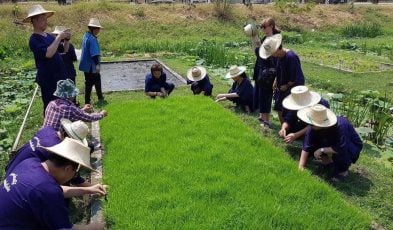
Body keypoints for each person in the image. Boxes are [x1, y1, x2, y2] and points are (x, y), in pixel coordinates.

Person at [0, 137, 105, 229]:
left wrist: (89, 190)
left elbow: (56, 190)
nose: (74, 176)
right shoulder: (46, 189)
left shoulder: (30, 162)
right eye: (75, 172)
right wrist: (95, 227)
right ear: (68, 169)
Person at [5, 119, 106, 199]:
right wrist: (91, 187)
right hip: (22, 181)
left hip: (13, 170)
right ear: (70, 139)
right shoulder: (56, 148)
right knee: (63, 180)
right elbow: (73, 175)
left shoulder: (48, 130)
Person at [23, 5, 70, 113]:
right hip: (49, 79)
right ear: (34, 21)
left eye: (46, 19)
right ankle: (50, 128)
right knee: (51, 106)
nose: (45, 22)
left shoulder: (49, 36)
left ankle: (62, 128)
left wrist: (67, 39)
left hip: (60, 77)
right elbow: (48, 53)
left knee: (63, 105)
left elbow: (64, 50)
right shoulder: (34, 39)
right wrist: (58, 37)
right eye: (42, 19)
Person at [297, 104, 363, 182]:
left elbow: (342, 146)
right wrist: (301, 166)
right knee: (314, 146)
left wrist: (322, 150)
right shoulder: (313, 128)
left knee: (342, 153)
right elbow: (307, 145)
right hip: (331, 142)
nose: (309, 126)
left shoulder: (341, 126)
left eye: (311, 124)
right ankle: (328, 163)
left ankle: (343, 171)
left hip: (350, 145)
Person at [259, 33, 305, 124]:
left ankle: (288, 130)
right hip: (281, 87)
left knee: (288, 111)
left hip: (293, 88)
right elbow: (278, 70)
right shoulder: (279, 58)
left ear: (277, 50)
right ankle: (283, 128)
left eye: (272, 53)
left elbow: (297, 77)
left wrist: (287, 85)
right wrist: (276, 80)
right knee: (279, 108)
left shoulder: (291, 57)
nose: (272, 56)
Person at [247, 18, 280, 128]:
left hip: (269, 70)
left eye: (265, 27)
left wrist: (258, 46)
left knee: (267, 95)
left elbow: (266, 53)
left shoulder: (275, 39)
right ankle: (263, 116)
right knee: (261, 94)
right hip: (262, 68)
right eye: (262, 27)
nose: (264, 29)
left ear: (271, 26)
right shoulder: (266, 37)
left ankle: (267, 121)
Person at [79, 18, 105, 105]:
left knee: (90, 82)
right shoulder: (92, 39)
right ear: (93, 29)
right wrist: (97, 65)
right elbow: (94, 54)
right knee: (93, 81)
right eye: (98, 28)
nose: (99, 30)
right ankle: (97, 97)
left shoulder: (86, 35)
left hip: (86, 65)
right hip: (91, 65)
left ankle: (91, 99)